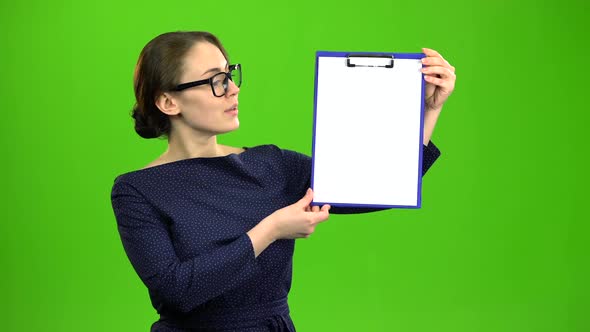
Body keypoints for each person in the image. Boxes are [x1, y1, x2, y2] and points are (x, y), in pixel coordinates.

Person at [110, 31, 456, 332]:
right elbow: (177, 291)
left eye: (230, 74)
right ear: (169, 102)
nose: (233, 90)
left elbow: (373, 186)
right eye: (215, 80)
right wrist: (271, 229)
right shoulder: (137, 190)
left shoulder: (270, 164)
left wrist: (427, 110)